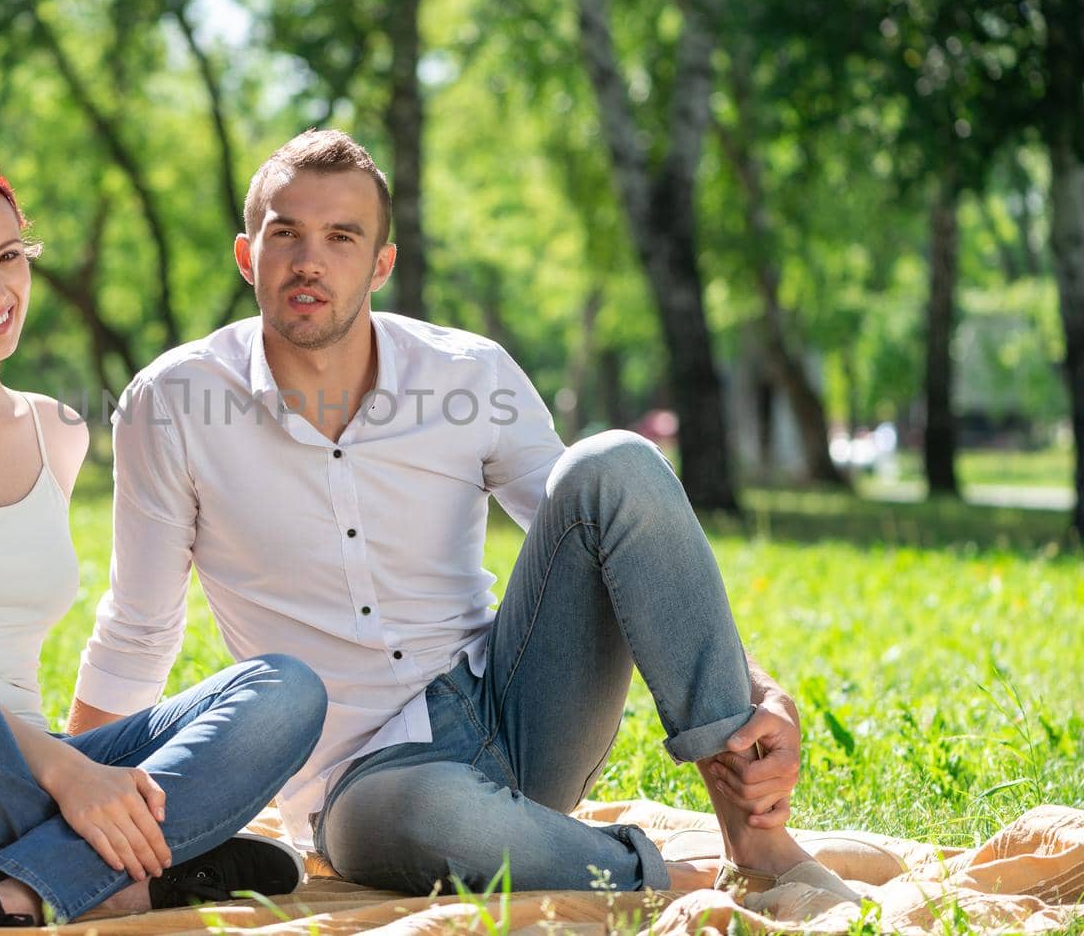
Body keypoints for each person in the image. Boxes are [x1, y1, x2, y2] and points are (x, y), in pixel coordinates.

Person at [66, 130, 859, 902]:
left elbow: (616, 531)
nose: (310, 261)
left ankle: (753, 839)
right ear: (248, 256)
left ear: (381, 265)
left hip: (516, 708)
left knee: (614, 462)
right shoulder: (171, 405)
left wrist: (757, 688)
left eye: (342, 237)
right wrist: (69, 802)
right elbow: (139, 628)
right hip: (365, 786)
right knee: (425, 815)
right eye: (287, 234)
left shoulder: (466, 372)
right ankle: (657, 879)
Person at [0, 152, 327, 929]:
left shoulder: (57, 432)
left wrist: (78, 767)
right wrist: (69, 776)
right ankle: (132, 873)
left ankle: (27, 892)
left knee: (284, 688)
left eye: (10, 257)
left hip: (18, 776)